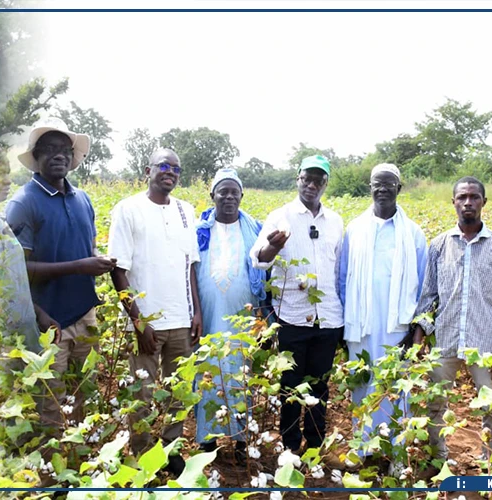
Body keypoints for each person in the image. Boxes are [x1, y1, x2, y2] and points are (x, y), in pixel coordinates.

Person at [5, 120, 111, 431]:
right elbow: (14, 272)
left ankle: (79, 457)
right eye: (49, 149)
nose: (59, 155)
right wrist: (79, 267)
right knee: (51, 407)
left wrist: (96, 264)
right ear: (35, 156)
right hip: (47, 321)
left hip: (85, 316)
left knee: (83, 395)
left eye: (65, 149)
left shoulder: (83, 200)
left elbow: (86, 249)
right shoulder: (23, 203)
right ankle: (53, 461)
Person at [409, 176, 492, 476]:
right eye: (462, 197)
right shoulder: (439, 245)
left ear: (484, 202)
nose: (468, 202)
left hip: (485, 342)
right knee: (435, 404)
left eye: (474, 197)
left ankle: (491, 466)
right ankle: (437, 461)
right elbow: (429, 295)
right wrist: (418, 338)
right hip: (445, 338)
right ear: (453, 202)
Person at [108, 147, 202, 474]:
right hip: (145, 323)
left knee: (179, 392)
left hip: (181, 319)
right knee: (143, 395)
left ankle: (172, 448)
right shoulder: (128, 209)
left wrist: (196, 312)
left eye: (176, 169)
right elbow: (118, 270)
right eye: (163, 166)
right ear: (148, 170)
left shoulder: (186, 210)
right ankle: (144, 457)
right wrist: (138, 322)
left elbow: (191, 266)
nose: (170, 173)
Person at [249, 154, 344, 456]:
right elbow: (258, 260)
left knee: (320, 386)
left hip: (327, 318)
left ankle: (314, 445)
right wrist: (273, 246)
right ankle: (290, 446)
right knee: (290, 386)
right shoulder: (281, 217)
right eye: (307, 178)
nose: (312, 185)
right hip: (291, 316)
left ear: (325, 184)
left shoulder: (335, 222)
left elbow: (339, 270)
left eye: (319, 180)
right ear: (298, 180)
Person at [337, 163, 427, 468]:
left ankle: (396, 455)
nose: (383, 189)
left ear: (399, 188)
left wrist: (416, 331)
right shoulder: (354, 229)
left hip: (397, 329)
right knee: (362, 385)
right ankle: (364, 451)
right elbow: (343, 279)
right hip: (360, 325)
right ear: (370, 188)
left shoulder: (413, 233)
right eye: (378, 184)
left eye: (389, 184)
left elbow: (424, 287)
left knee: (395, 389)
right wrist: (344, 325)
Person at [191, 168, 267, 455]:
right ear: (213, 195)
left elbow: (265, 269)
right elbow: (191, 269)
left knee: (240, 371)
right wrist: (195, 311)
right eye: (223, 191)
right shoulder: (199, 230)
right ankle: (207, 439)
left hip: (243, 317)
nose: (229, 197)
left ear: (242, 196)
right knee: (208, 371)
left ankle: (241, 440)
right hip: (208, 316)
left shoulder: (255, 230)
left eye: (235, 192)